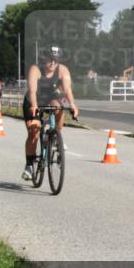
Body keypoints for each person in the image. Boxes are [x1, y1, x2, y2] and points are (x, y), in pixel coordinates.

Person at [22, 46, 79, 180]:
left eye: (56, 60)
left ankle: (55, 136)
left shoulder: (62, 70)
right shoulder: (35, 69)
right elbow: (32, 91)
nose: (53, 63)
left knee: (58, 106)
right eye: (50, 60)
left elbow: (67, 89)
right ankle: (29, 165)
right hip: (33, 100)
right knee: (34, 132)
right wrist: (35, 106)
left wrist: (72, 105)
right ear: (44, 59)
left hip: (50, 97)